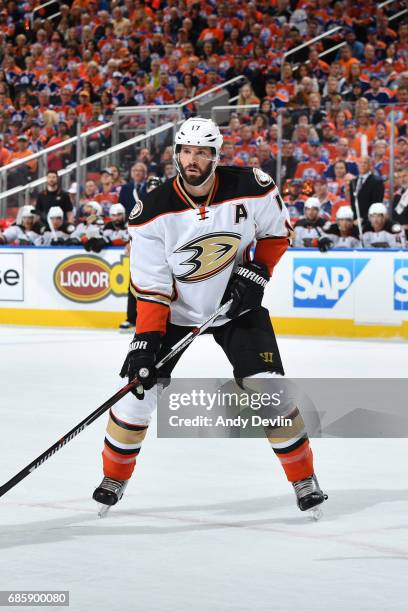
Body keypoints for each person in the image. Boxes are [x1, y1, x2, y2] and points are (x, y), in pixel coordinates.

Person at [93, 117, 327, 516]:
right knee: (136, 396)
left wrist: (258, 271)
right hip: (175, 313)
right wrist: (146, 341)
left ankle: (303, 478)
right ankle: (115, 476)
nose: (192, 159)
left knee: (271, 391)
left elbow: (275, 234)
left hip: (236, 308)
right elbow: (150, 285)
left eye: (202, 152)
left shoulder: (252, 187)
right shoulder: (150, 212)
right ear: (175, 155)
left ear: (216, 156)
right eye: (186, 150)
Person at [349, 157, 385, 223]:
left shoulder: (377, 182)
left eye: (365, 163)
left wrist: (364, 219)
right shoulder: (353, 182)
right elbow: (352, 202)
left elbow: (377, 203)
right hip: (355, 221)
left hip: (369, 221)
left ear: (370, 166)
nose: (362, 165)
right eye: (360, 163)